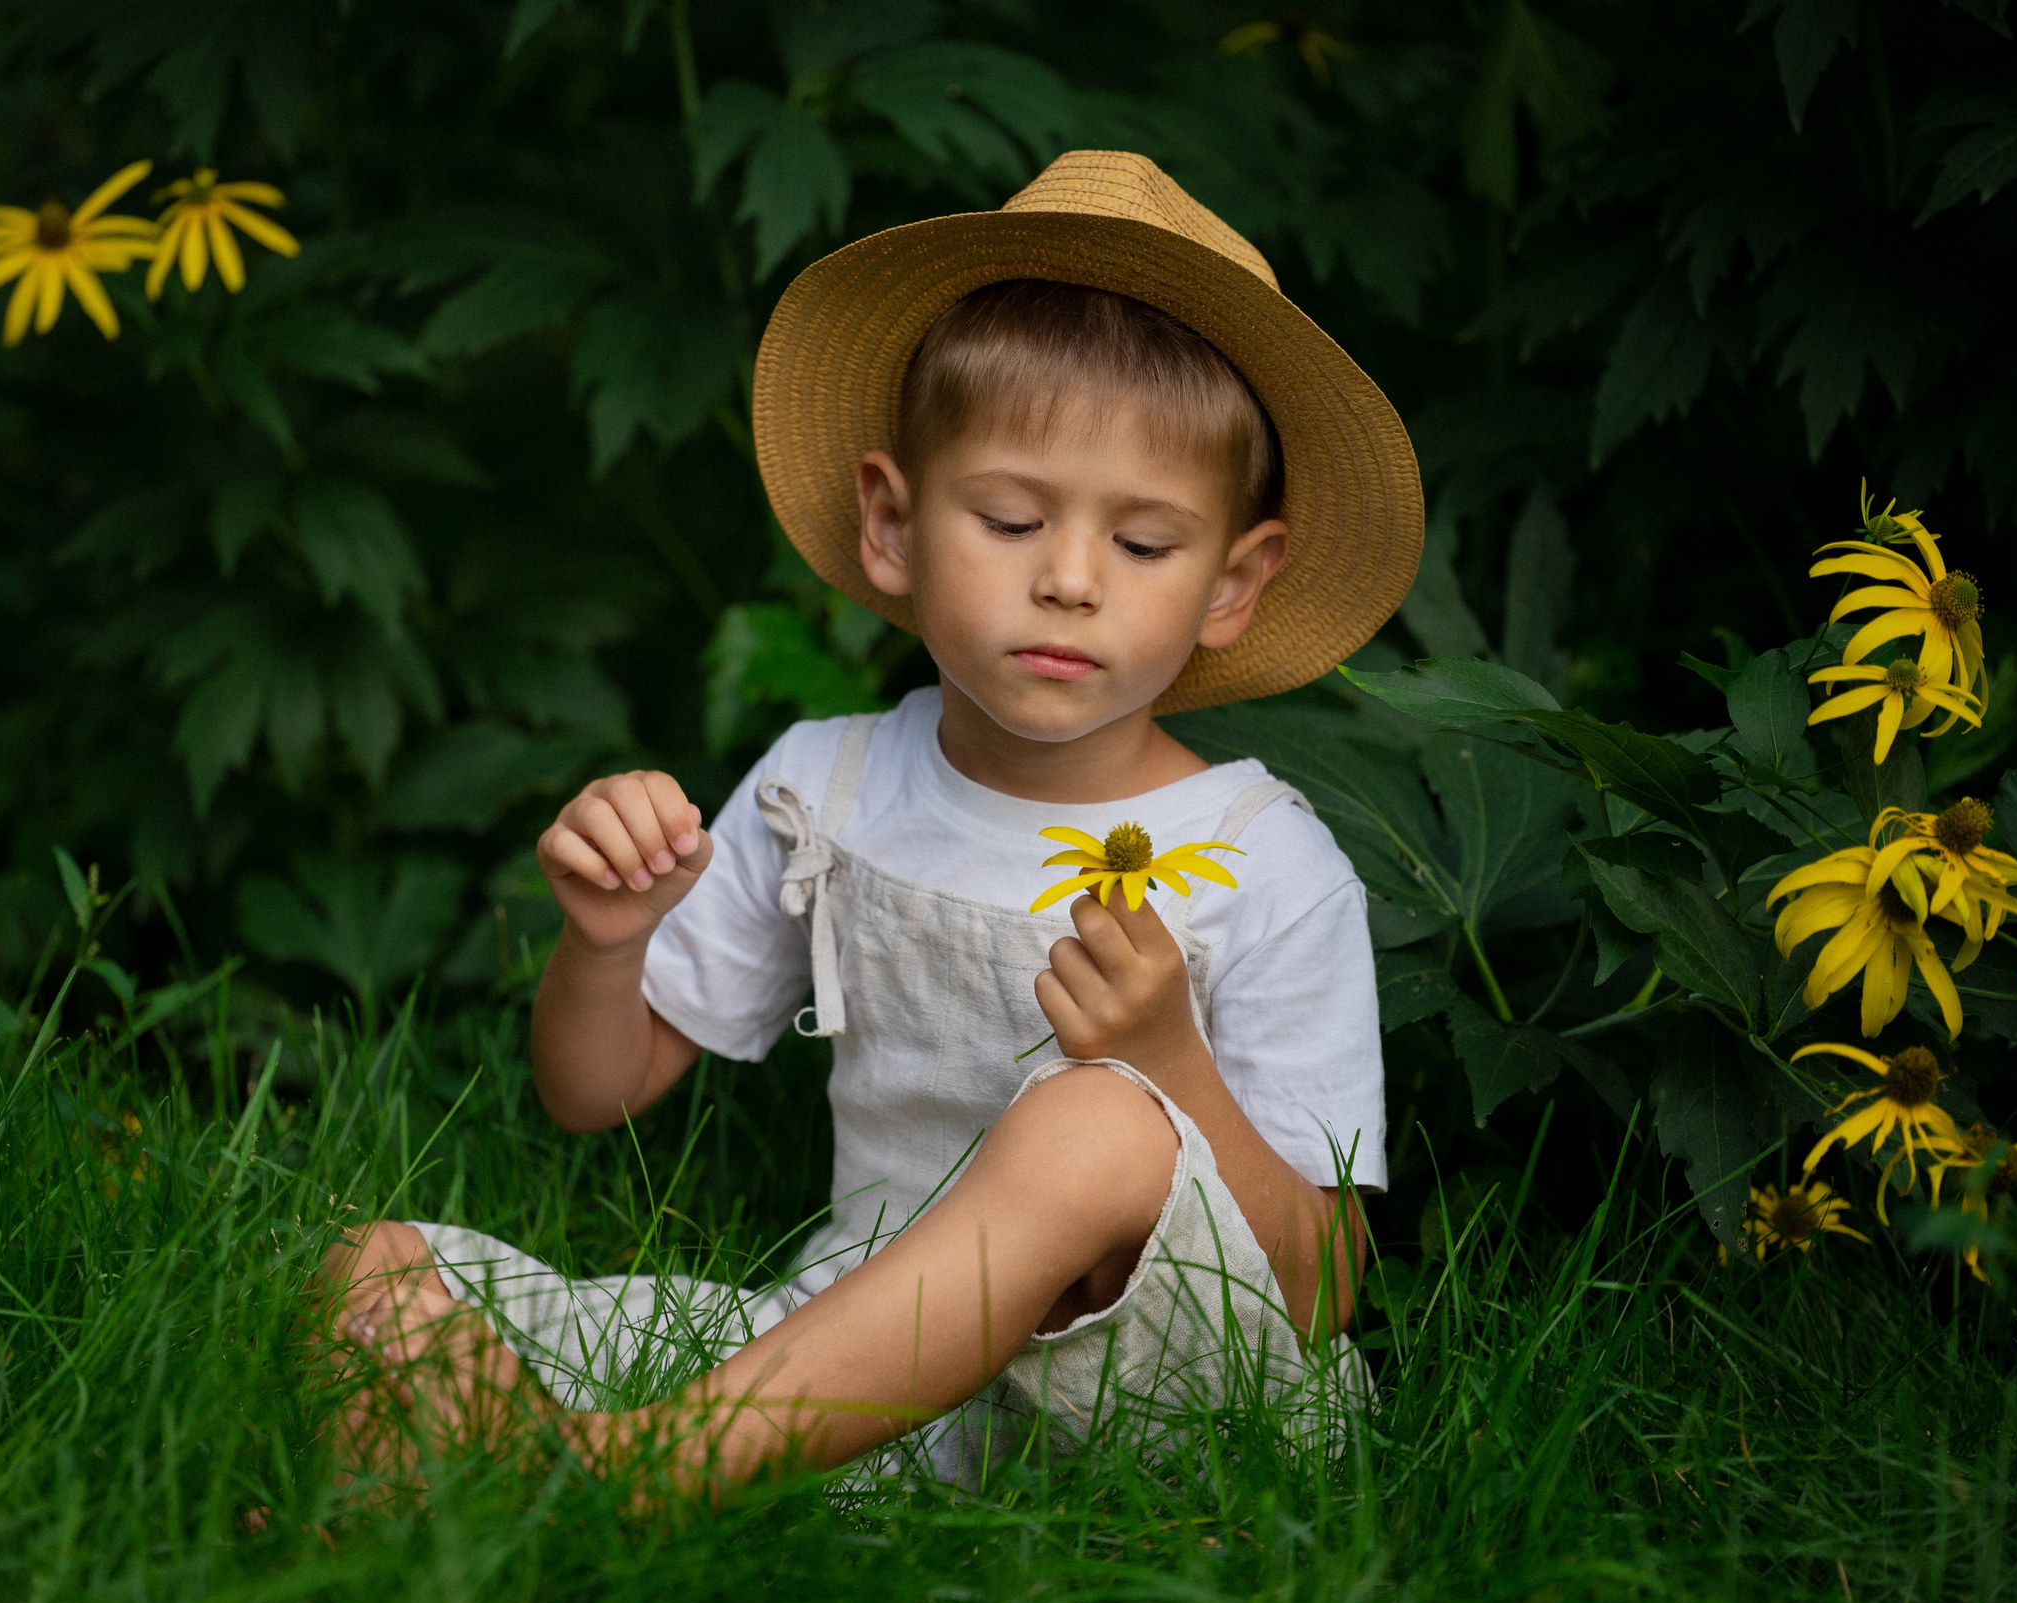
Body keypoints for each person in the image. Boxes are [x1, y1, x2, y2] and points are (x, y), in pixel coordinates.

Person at [316, 151, 1423, 1496]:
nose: (1070, 579)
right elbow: (591, 1095)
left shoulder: (1268, 856)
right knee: (370, 1274)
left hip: (1152, 1414)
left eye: (1144, 546)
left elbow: (1325, 1292)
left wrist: (1166, 1065)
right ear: (893, 526)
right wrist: (607, 941)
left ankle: (628, 1483)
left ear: (1234, 585)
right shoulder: (829, 787)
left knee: (1097, 1125)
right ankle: (482, 1506)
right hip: (849, 1384)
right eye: (1010, 518)